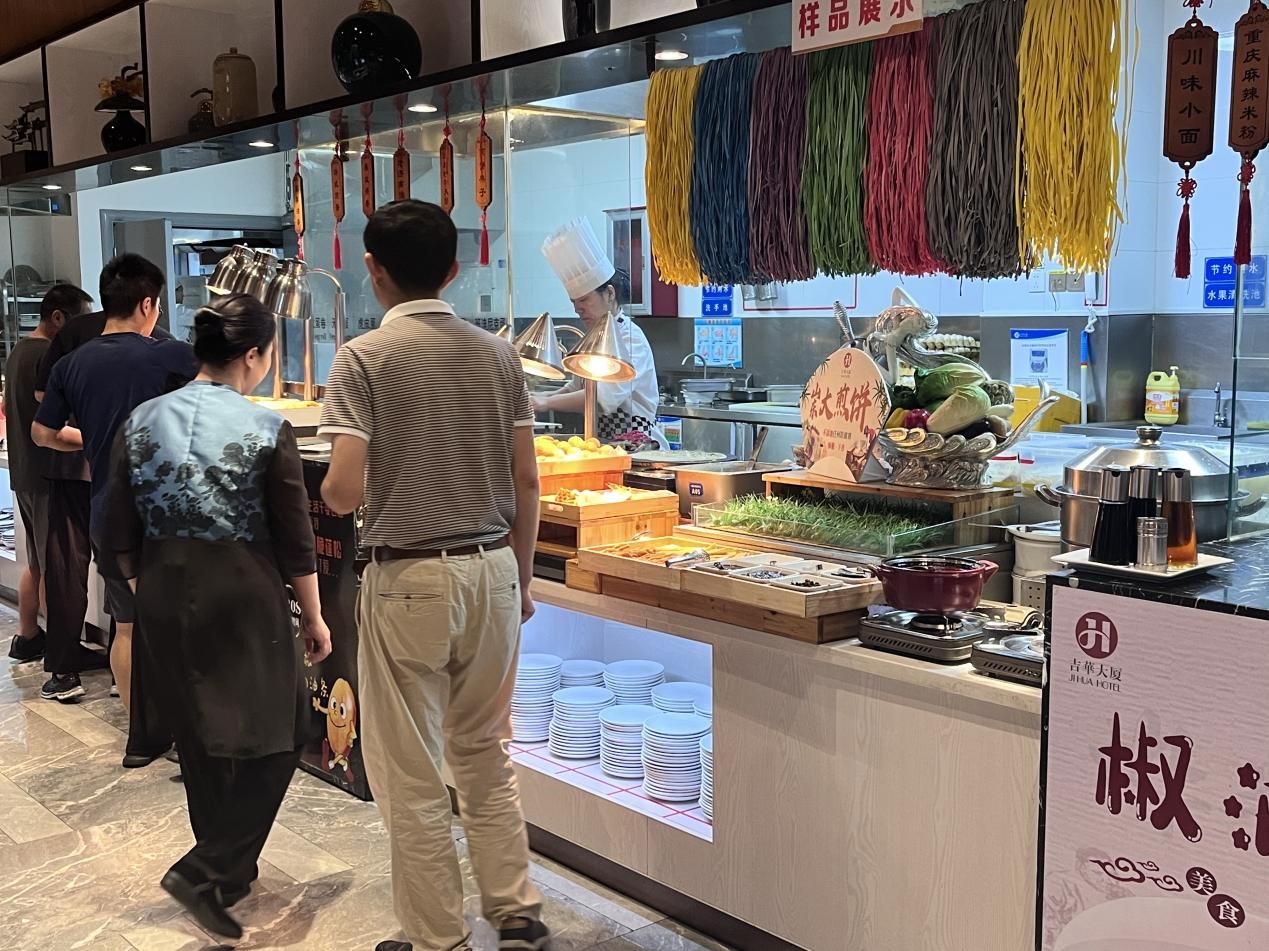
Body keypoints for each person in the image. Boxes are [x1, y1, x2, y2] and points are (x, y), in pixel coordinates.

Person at [319, 200, 550, 951]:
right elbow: (527, 479)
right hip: (494, 571)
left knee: (411, 772)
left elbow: (343, 491)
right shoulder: (499, 356)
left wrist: (332, 483)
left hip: (409, 578)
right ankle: (516, 912)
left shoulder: (362, 358)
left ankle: (439, 938)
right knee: (485, 751)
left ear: (372, 270)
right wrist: (521, 580)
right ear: (452, 271)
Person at [101, 293, 331, 941]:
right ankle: (206, 867)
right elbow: (295, 539)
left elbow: (115, 525)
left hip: (161, 584)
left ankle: (228, 875)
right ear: (253, 355)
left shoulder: (141, 420)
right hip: (242, 588)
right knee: (285, 729)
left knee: (198, 733)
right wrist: (314, 617)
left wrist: (148, 584)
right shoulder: (265, 427)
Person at [33, 253, 197, 767]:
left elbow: (41, 433)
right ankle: (183, 738)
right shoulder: (170, 355)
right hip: (165, 511)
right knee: (175, 625)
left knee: (126, 626)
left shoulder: (71, 364)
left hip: (107, 508)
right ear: (147, 304)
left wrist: (94, 440)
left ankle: (141, 738)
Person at [4, 283, 94, 695]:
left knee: (38, 563)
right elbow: (56, 422)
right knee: (57, 571)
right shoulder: (48, 356)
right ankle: (62, 657)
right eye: (78, 321)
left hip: (24, 473)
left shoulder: (19, 351)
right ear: (58, 317)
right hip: (47, 475)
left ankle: (28, 637)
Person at [533, 217, 658, 439]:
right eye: (574, 302)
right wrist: (537, 398)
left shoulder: (630, 339)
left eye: (584, 300)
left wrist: (546, 402)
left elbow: (602, 398)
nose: (578, 309)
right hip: (602, 442)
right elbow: (576, 388)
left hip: (638, 444)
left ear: (609, 293)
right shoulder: (594, 338)